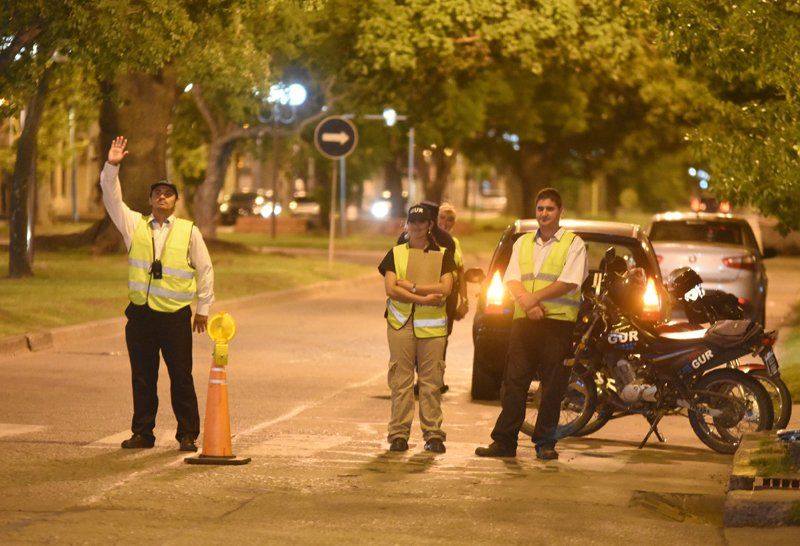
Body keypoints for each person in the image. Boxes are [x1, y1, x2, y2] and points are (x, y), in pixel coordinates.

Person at [100, 136, 214, 452]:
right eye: (157, 193)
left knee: (181, 376)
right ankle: (143, 432)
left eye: (168, 193)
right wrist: (112, 166)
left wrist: (203, 308)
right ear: (150, 199)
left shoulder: (189, 231)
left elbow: (205, 269)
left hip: (175, 315)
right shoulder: (134, 225)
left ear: (175, 201)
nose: (162, 196)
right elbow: (111, 197)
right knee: (142, 377)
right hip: (141, 314)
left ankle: (187, 434)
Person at [475, 188, 587, 460]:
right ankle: (504, 442)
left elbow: (569, 282)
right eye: (540, 209)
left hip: (557, 324)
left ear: (560, 212)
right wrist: (527, 303)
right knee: (514, 383)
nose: (544, 214)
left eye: (550, 209)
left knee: (552, 387)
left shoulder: (574, 244)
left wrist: (532, 299)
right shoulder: (522, 242)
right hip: (525, 322)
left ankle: (545, 443)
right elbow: (511, 279)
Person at [379, 204, 456, 453]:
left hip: (432, 329)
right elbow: (391, 289)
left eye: (422, 222)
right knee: (400, 382)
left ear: (430, 225)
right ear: (407, 224)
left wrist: (411, 286)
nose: (417, 226)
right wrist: (423, 297)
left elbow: (445, 288)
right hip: (401, 324)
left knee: (431, 383)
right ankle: (398, 435)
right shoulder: (396, 253)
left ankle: (433, 435)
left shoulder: (442, 254)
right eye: (412, 221)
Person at [437, 203, 469, 323]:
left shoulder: (455, 242)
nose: (445, 222)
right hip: (434, 294)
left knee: (446, 330)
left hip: (451, 296)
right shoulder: (427, 241)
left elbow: (460, 272)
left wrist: (464, 300)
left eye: (450, 219)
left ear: (454, 223)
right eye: (442, 217)